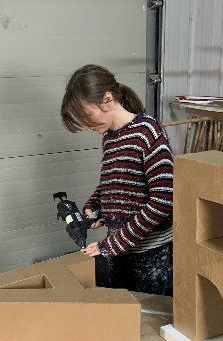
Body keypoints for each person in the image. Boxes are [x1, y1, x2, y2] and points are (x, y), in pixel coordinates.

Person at [60, 64, 173, 296]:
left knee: (149, 319)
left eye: (86, 117)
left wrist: (112, 244)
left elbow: (163, 200)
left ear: (107, 99)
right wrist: (96, 205)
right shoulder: (110, 139)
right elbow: (115, 182)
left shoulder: (147, 131)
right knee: (124, 314)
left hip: (152, 254)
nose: (86, 126)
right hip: (121, 250)